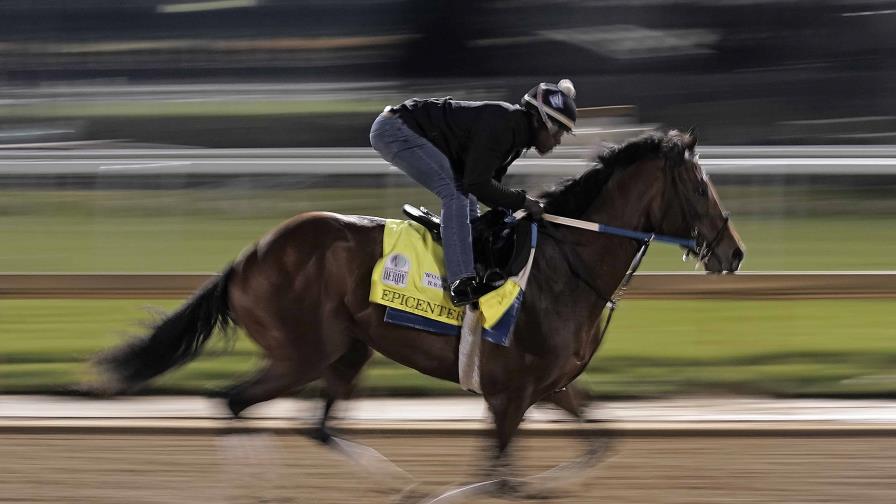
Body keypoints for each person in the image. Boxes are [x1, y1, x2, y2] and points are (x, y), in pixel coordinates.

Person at [369, 80, 577, 306]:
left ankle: (471, 264)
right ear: (539, 120)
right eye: (558, 131)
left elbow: (489, 189)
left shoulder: (517, 138)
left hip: (412, 128)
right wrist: (523, 201)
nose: (557, 140)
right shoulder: (503, 125)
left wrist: (513, 210)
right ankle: (460, 282)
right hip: (395, 128)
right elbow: (478, 183)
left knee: (468, 202)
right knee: (455, 193)